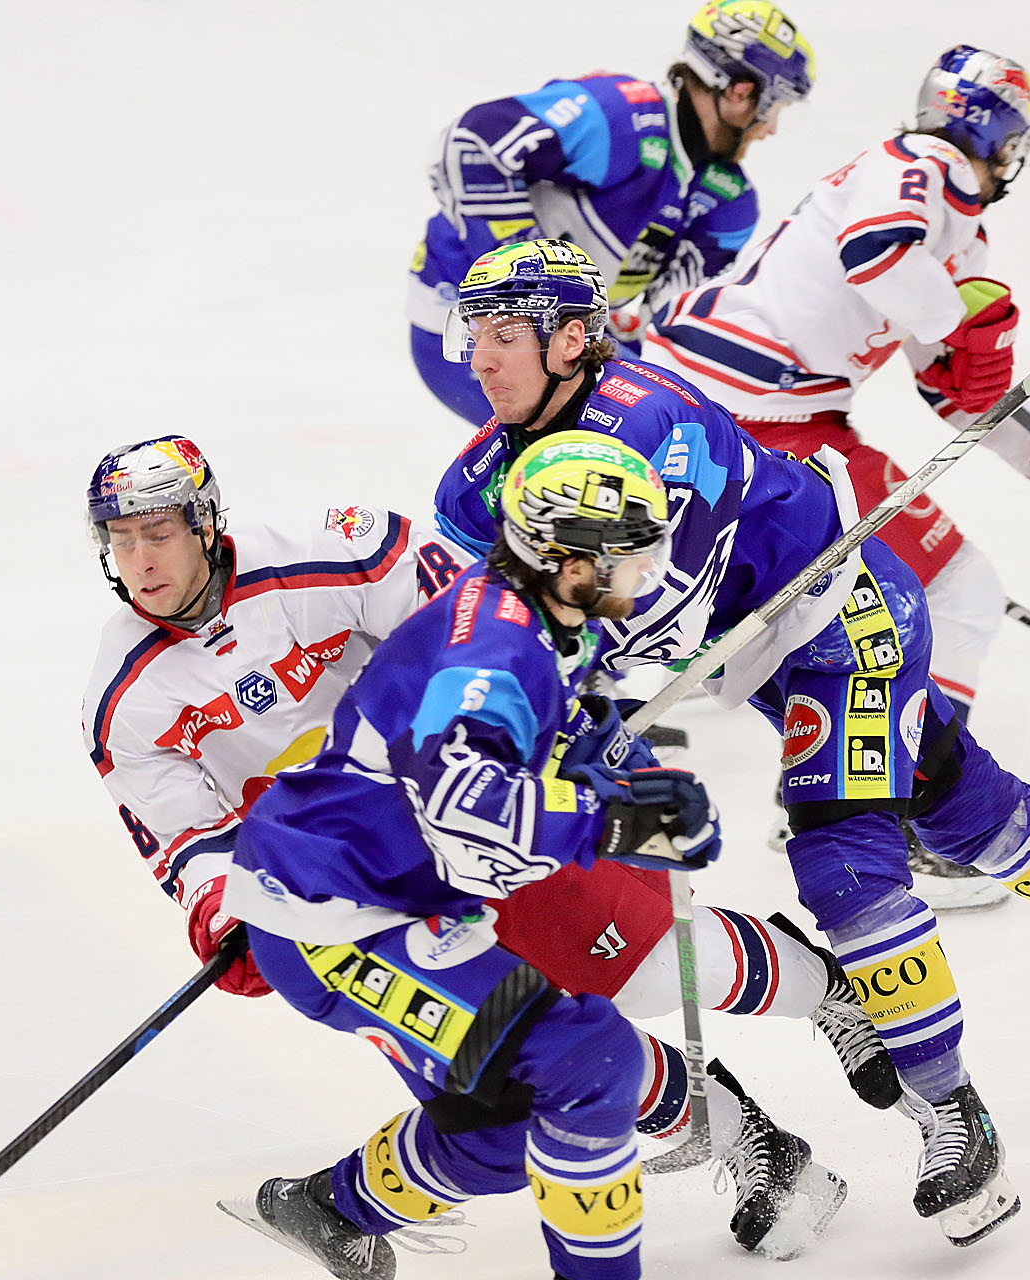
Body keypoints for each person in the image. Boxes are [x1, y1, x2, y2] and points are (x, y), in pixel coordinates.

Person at [431, 237, 1030, 1246]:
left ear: (572, 338)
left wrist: (579, 706)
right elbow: (496, 614)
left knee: (842, 856)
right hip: (758, 656)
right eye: (475, 332)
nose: (481, 356)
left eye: (506, 333)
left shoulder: (648, 419)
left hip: (833, 611)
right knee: (955, 799)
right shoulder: (474, 481)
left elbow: (661, 612)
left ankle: (953, 1116)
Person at [81, 433, 872, 1260]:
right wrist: (224, 907)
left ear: (205, 524)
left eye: (158, 532)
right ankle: (751, 1141)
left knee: (635, 975)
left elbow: (470, 630)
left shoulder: (334, 550)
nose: (141, 559)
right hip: (372, 883)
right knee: (532, 1073)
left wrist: (559, 727)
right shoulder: (123, 697)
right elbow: (188, 835)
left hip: (470, 818)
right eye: (121, 538)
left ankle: (823, 995)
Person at [641, 45, 1030, 905]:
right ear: (998, 138)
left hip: (744, 410)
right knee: (952, 591)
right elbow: (876, 257)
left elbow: (962, 395)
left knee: (852, 612)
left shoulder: (956, 229)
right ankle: (910, 818)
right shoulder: (919, 165)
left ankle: (841, 792)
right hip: (751, 418)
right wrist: (960, 324)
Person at [409, 0, 813, 424]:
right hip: (461, 326)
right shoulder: (620, 115)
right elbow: (472, 146)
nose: (771, 128)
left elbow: (672, 327)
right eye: (775, 104)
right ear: (739, 90)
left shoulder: (729, 201)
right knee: (594, 446)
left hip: (564, 341)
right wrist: (528, 280)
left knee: (679, 422)